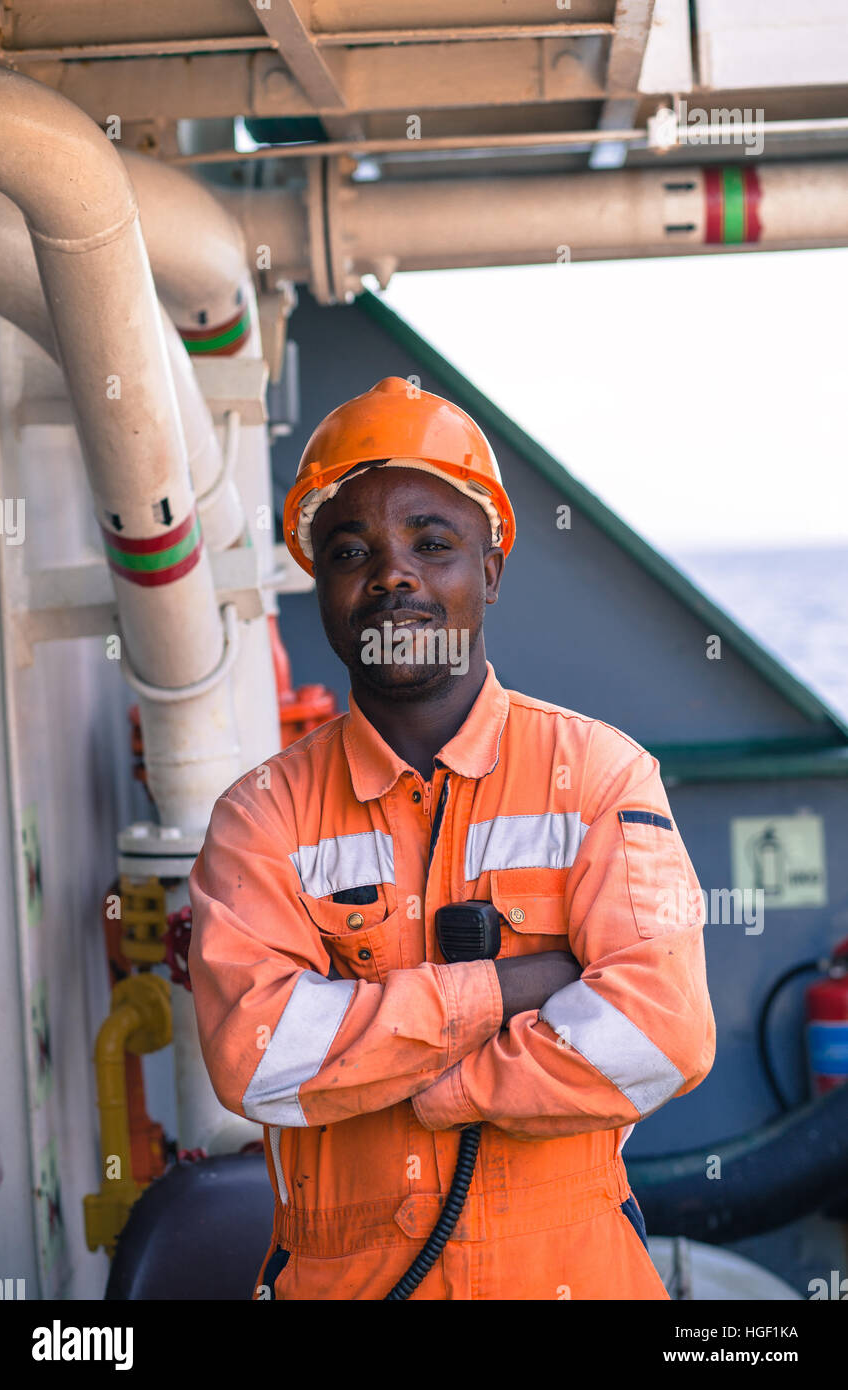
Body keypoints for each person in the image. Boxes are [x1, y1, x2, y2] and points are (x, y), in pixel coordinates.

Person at [188, 375, 716, 1300]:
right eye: (353, 551)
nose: (394, 574)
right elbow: (262, 1062)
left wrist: (440, 1090)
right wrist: (517, 986)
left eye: (432, 544)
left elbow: (661, 1034)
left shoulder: (599, 778)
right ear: (322, 589)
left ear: (492, 572)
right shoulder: (260, 816)